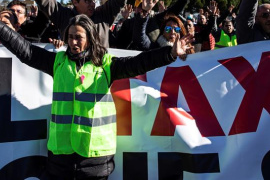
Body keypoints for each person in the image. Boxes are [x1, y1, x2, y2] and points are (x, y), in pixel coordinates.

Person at [0, 14, 193, 180]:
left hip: (95, 159)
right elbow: (25, 51)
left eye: (79, 37)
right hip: (60, 157)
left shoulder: (106, 64)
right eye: (70, 37)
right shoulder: (56, 62)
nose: (73, 42)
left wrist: (170, 53)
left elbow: (139, 63)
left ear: (90, 38)